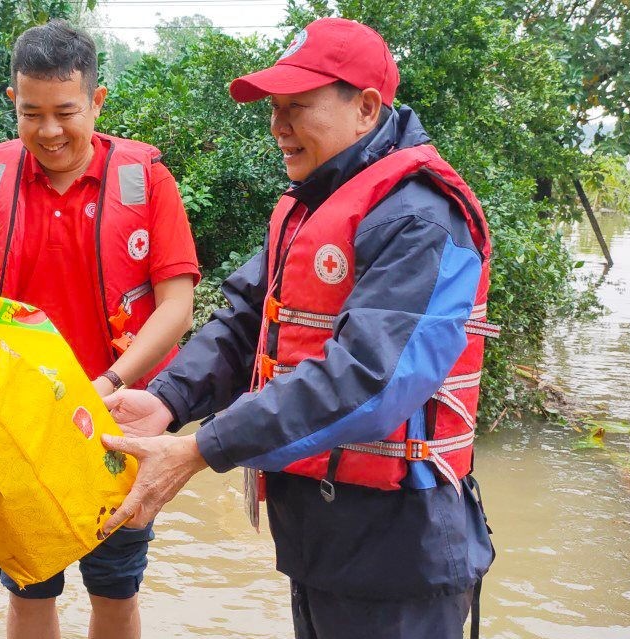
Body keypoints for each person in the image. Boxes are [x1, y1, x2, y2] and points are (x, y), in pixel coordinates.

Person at [99, 18, 497, 639]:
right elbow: (244, 325)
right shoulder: (310, 205)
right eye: (274, 108)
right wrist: (166, 401)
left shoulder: (422, 217)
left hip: (399, 550)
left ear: (366, 108)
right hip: (322, 540)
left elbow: (371, 379)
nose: (277, 126)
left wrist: (203, 448)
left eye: (297, 107)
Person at [0, 20, 200, 639]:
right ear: (12, 102)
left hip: (114, 424)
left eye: (66, 112)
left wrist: (107, 384)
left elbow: (178, 306)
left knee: (115, 592)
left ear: (97, 101)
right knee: (28, 592)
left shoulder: (146, 182)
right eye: (31, 113)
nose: (48, 131)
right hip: (14, 431)